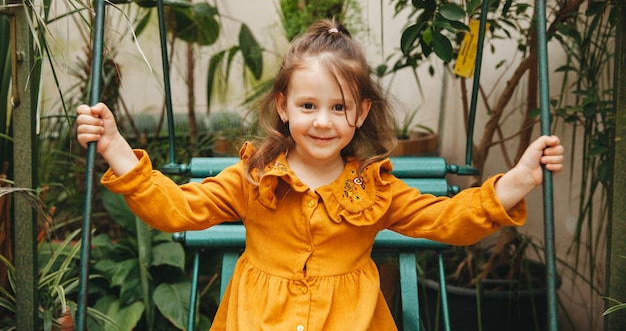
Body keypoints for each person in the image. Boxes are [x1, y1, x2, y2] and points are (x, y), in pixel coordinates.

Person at [76, 19, 564, 331]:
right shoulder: (254, 177)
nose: (324, 121)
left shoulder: (374, 188)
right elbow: (177, 209)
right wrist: (115, 147)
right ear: (284, 107)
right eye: (308, 105)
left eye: (339, 107)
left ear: (360, 111)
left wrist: (517, 180)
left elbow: (446, 219)